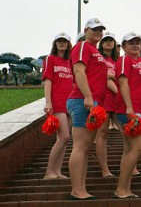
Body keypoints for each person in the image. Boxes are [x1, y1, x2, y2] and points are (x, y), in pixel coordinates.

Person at [66, 18, 107, 200]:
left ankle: (81, 188)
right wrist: (88, 96)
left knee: (86, 148)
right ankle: (76, 189)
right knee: (81, 146)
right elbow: (79, 71)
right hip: (82, 100)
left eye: (100, 29)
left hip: (90, 101)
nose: (98, 32)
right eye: (94, 29)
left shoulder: (94, 50)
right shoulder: (83, 46)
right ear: (85, 30)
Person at [114, 32, 141, 199]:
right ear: (123, 46)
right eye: (131, 43)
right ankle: (121, 189)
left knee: (129, 149)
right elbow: (122, 82)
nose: (136, 45)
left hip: (139, 109)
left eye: (138, 42)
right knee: (138, 148)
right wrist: (129, 107)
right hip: (128, 110)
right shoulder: (124, 60)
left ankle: (125, 189)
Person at [42, 32, 73, 180]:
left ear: (68, 44)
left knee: (63, 139)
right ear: (55, 44)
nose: (62, 44)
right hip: (57, 103)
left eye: (64, 41)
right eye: (59, 41)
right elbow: (48, 81)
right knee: (65, 136)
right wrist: (48, 101)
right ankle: (49, 171)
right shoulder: (50, 59)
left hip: (70, 103)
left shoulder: (70, 62)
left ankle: (58, 171)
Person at [95, 31, 120, 178]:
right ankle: (104, 169)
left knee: (128, 132)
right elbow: (100, 77)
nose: (109, 43)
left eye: (111, 40)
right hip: (103, 99)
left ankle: (132, 167)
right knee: (102, 133)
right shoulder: (98, 58)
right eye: (106, 41)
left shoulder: (118, 60)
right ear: (101, 43)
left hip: (117, 100)